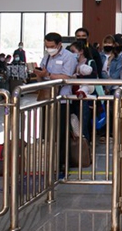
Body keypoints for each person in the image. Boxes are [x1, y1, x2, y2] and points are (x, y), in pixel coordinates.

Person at [34, 32, 78, 174]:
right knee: (47, 132)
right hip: (47, 98)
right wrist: (39, 74)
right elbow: (43, 72)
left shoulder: (68, 57)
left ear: (59, 45)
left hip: (62, 99)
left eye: (52, 46)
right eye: (47, 46)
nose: (49, 49)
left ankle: (62, 164)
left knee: (61, 133)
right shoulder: (46, 57)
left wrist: (48, 75)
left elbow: (67, 76)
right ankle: (48, 162)